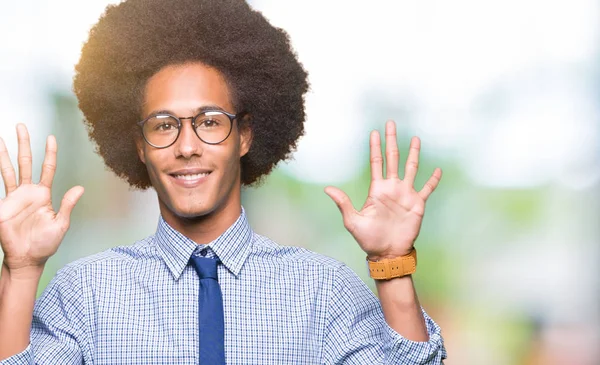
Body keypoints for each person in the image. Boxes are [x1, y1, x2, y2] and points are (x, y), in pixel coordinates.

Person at [0, 0, 447, 363]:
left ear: (245, 135)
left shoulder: (324, 292)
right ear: (139, 146)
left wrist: (392, 265)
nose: (187, 146)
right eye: (163, 125)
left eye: (210, 122)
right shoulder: (85, 293)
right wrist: (20, 270)